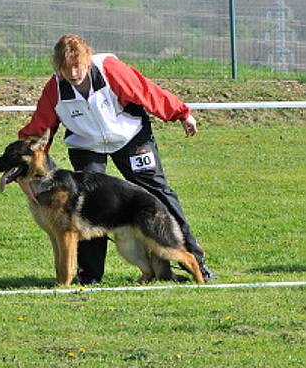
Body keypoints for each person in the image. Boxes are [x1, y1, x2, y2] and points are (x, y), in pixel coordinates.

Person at [19, 34, 214, 285]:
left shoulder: (110, 70)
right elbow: (37, 132)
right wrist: (24, 170)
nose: (73, 74)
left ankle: (195, 260)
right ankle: (89, 275)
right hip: (87, 145)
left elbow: (147, 92)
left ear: (87, 60)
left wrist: (181, 114)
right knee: (86, 203)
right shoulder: (54, 89)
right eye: (66, 69)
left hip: (129, 136)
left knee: (158, 192)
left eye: (78, 66)